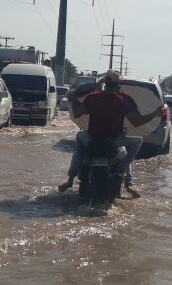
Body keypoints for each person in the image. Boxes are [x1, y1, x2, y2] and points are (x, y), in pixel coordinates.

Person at [58, 70, 163, 199]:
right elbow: (137, 122)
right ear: (118, 85)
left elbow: (78, 113)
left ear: (104, 83)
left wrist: (74, 100)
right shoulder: (123, 100)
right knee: (137, 142)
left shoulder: (93, 97)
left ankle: (70, 180)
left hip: (93, 139)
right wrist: (155, 113)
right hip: (113, 140)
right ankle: (125, 178)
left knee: (79, 141)